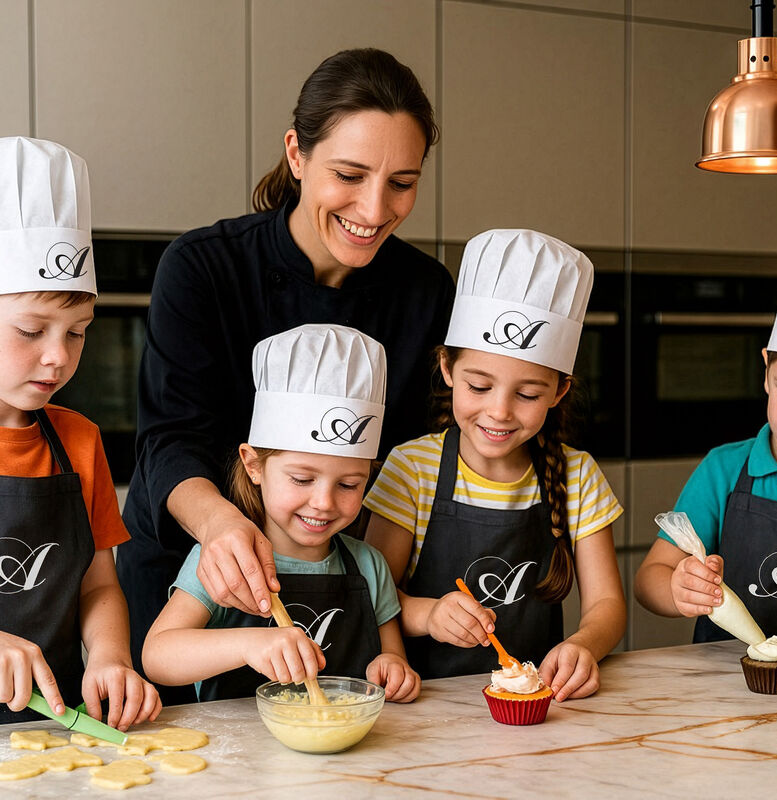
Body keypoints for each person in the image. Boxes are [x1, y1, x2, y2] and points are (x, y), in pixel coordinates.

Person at [118, 48, 454, 703]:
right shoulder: (204, 269)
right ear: (297, 154)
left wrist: (386, 606)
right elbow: (170, 438)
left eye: (402, 182)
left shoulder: (423, 291)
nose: (374, 208)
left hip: (339, 584)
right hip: (189, 577)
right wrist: (222, 531)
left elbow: (415, 463)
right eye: (350, 174)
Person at [363, 229, 626, 701]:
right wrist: (430, 613)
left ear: (559, 391)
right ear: (447, 369)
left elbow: (606, 604)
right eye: (479, 387)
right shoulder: (412, 469)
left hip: (538, 706)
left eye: (527, 394)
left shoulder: (577, 475)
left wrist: (585, 645)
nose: (500, 412)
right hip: (427, 705)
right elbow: (373, 597)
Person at [142, 324, 420, 703]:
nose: (323, 501)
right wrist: (248, 645)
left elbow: (391, 657)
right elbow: (158, 656)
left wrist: (392, 669)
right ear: (254, 465)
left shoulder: (369, 566)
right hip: (239, 753)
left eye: (349, 485)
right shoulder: (228, 558)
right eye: (303, 479)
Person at [0, 137, 161, 727]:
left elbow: (98, 584)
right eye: (31, 330)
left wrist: (112, 657)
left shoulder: (77, 441)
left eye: (76, 332)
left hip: (57, 725)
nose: (57, 359)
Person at [634, 254, 777, 654]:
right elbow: (649, 579)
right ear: (765, 370)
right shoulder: (724, 472)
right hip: (724, 695)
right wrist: (679, 589)